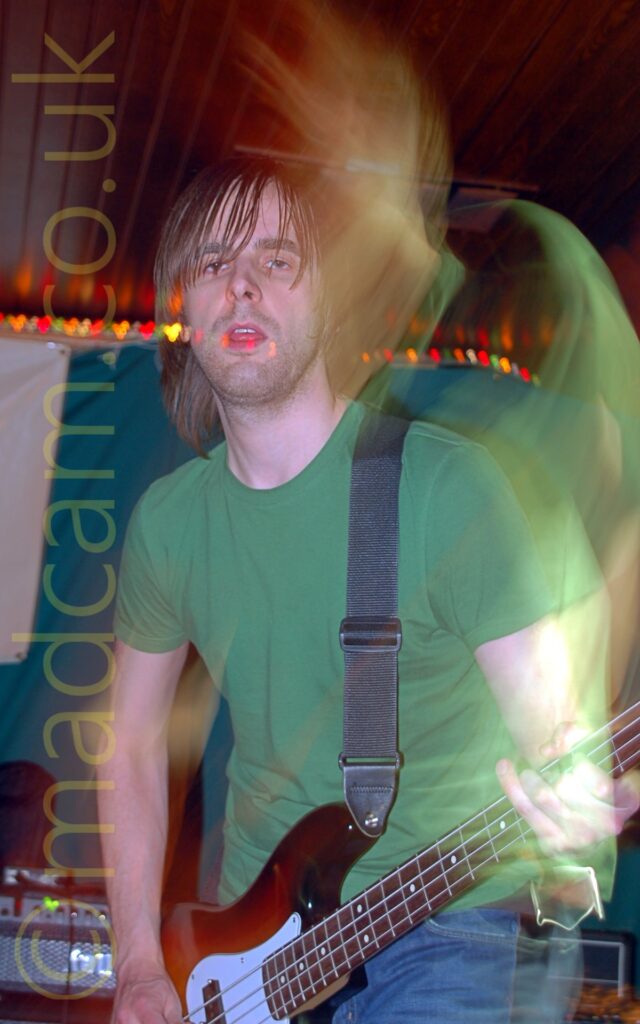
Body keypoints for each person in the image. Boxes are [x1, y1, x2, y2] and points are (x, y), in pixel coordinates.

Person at [99, 156, 638, 1024]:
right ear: (181, 308)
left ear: (327, 297)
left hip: (449, 921)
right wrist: (135, 962)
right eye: (213, 263)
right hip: (248, 944)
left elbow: (554, 722)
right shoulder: (169, 524)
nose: (241, 286)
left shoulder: (447, 487)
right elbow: (128, 746)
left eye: (277, 261)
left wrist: (574, 789)